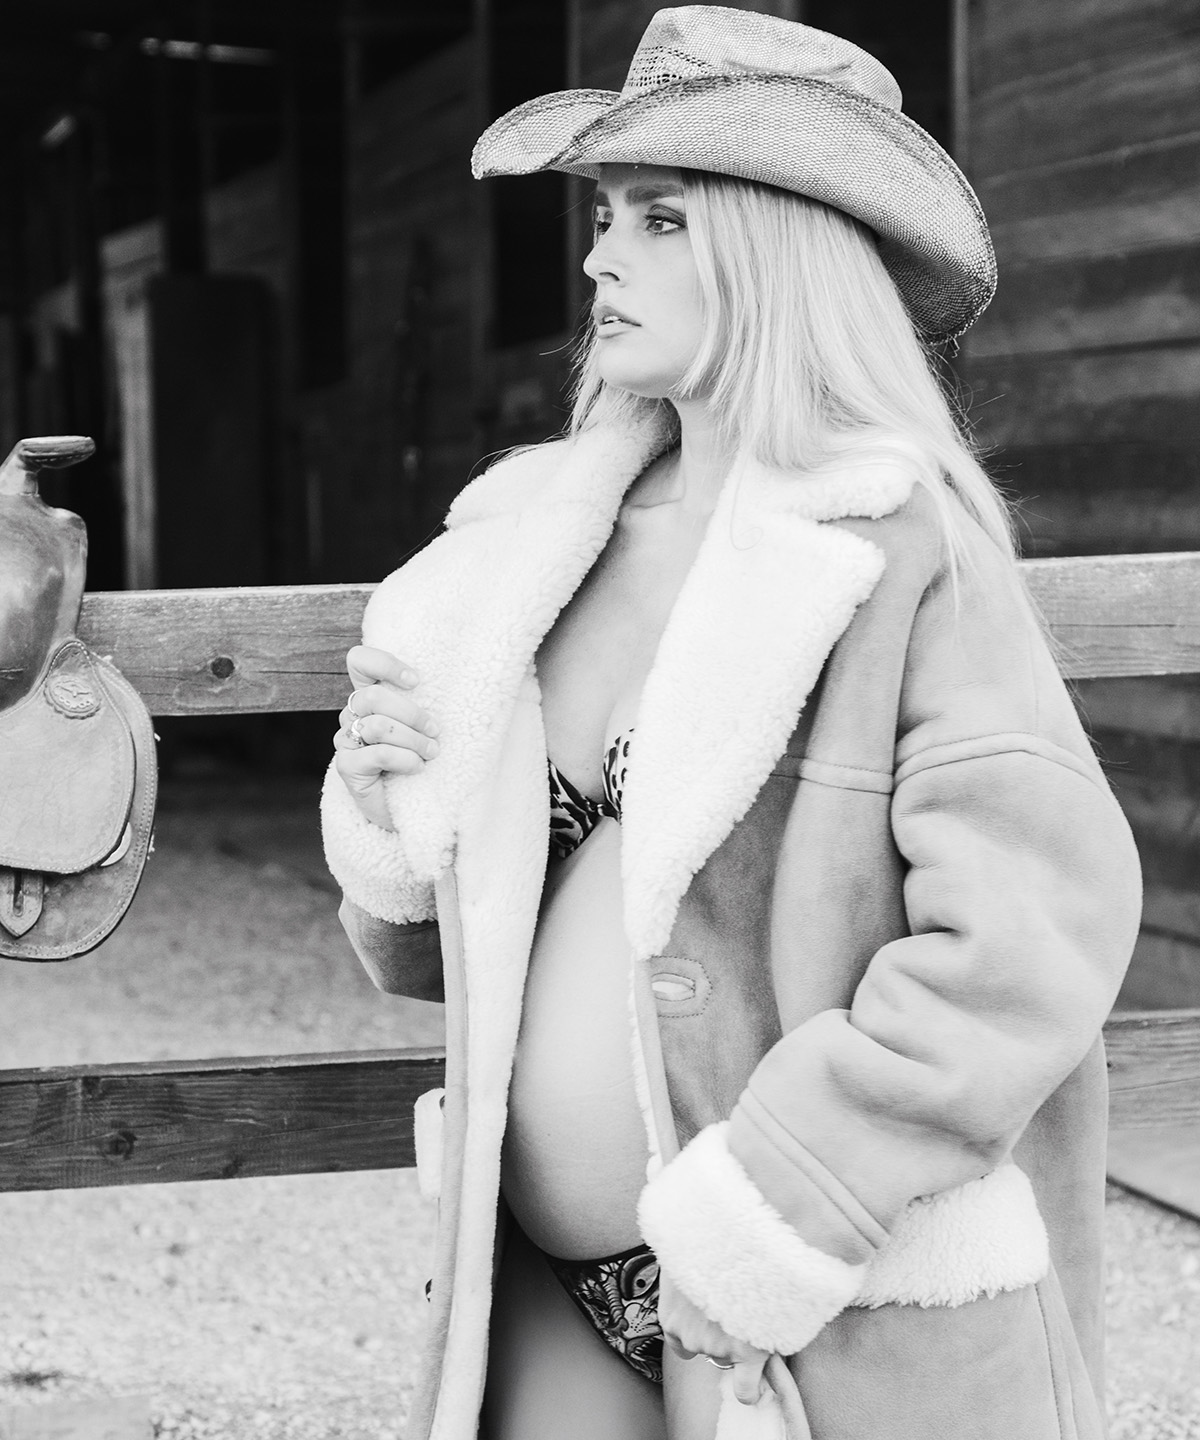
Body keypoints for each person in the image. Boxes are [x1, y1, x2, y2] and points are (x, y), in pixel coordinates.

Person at [321, 8, 1142, 1439]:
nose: (599, 260)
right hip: (543, 1285)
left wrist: (775, 1211)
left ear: (779, 250)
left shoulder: (896, 553)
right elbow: (428, 959)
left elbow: (1031, 939)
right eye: (604, 217)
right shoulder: (525, 551)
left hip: (808, 1284)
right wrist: (391, 802)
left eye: (661, 220)